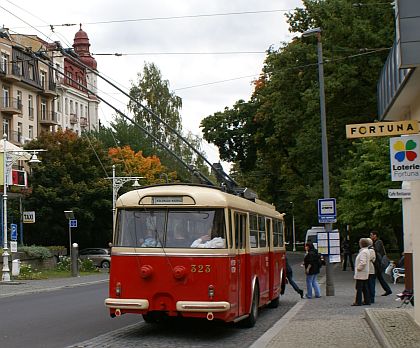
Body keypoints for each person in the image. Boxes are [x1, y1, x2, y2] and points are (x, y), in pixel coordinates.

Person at [370, 230, 392, 296]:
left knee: (373, 278)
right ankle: (388, 290)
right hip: (378, 262)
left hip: (378, 263)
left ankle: (372, 293)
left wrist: (371, 247)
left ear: (375, 235)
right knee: (380, 277)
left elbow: (377, 250)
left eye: (371, 235)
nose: (370, 236)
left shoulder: (378, 242)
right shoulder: (375, 242)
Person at [352, 238, 371, 306]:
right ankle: (367, 300)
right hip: (364, 272)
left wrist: (358, 268)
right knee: (364, 287)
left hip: (361, 272)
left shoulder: (363, 252)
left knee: (359, 287)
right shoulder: (366, 251)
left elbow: (363, 262)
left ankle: (358, 301)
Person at [367, 238, 376, 304]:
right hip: (369, 269)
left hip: (370, 269)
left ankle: (371, 298)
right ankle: (369, 297)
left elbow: (371, 259)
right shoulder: (369, 250)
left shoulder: (371, 250)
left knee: (371, 284)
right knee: (369, 284)